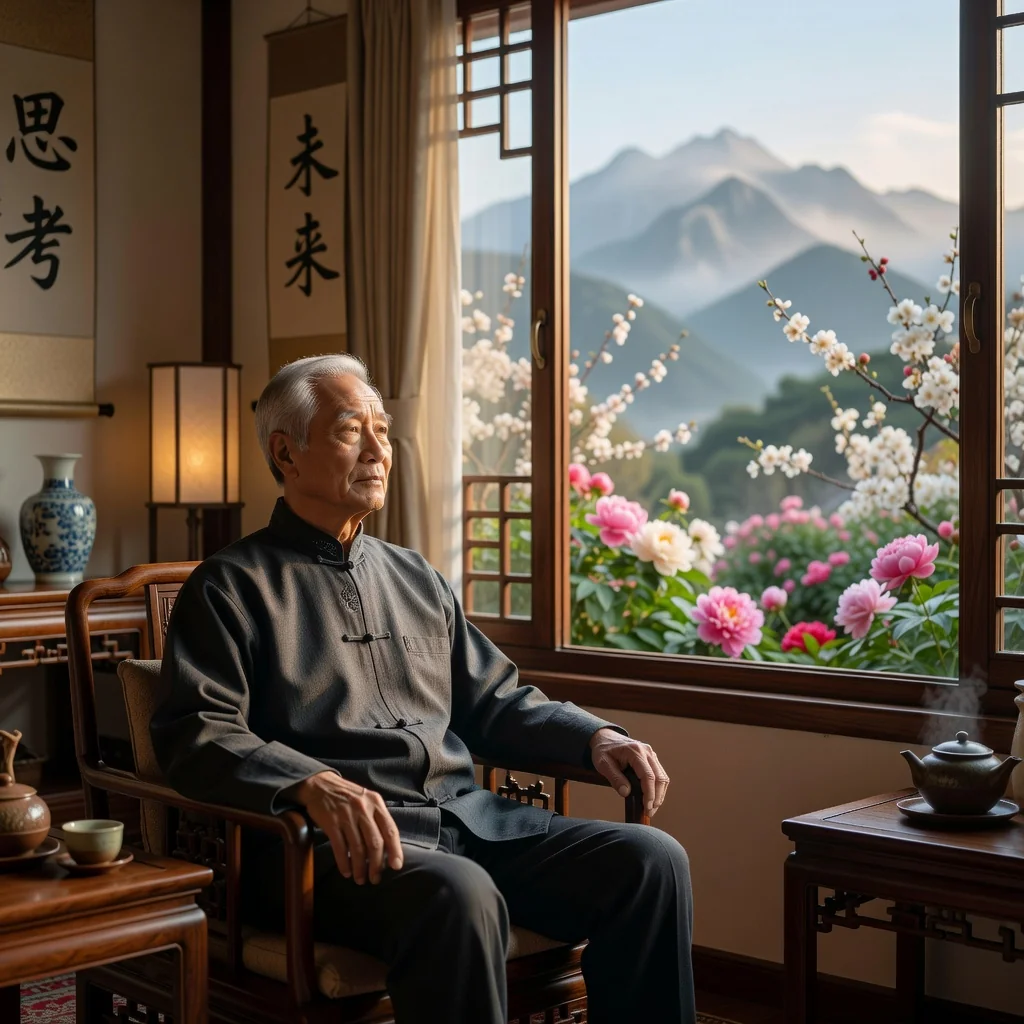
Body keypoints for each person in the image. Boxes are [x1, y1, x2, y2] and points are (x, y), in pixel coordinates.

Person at [151, 353, 695, 1024]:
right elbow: (198, 732)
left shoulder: (415, 577)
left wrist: (594, 737)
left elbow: (494, 698)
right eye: (353, 429)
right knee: (458, 894)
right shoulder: (229, 587)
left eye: (384, 427)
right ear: (286, 454)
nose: (380, 448)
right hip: (327, 855)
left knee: (650, 861)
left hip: (468, 823)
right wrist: (308, 782)